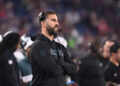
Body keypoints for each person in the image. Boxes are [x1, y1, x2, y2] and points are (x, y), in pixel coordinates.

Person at [30, 10, 77, 86]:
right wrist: (66, 68)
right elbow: (54, 70)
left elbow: (74, 69)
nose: (57, 23)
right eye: (53, 20)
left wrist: (59, 63)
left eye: (57, 21)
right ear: (43, 23)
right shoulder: (38, 45)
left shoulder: (60, 47)